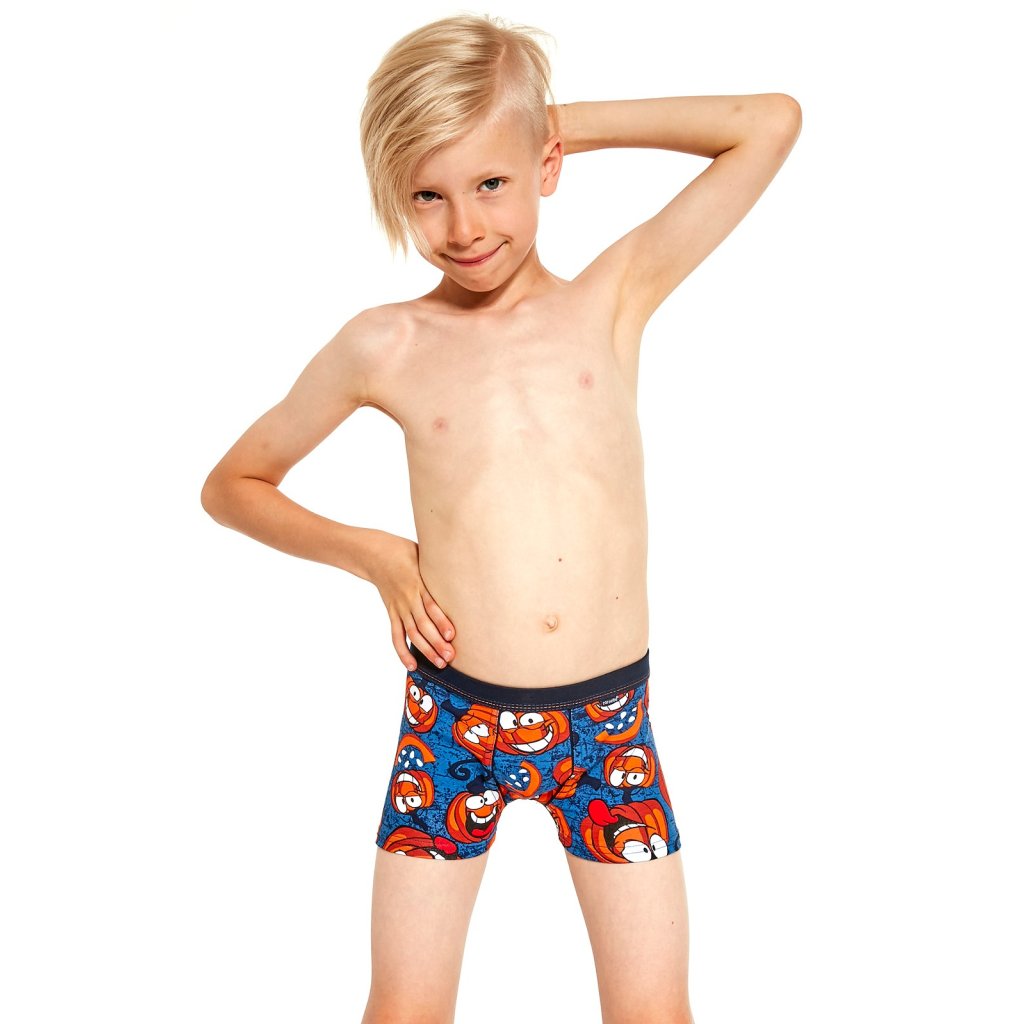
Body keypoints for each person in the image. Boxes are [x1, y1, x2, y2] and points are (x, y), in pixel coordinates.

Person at [201, 12, 800, 1024]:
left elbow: (768, 123)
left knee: (654, 1010)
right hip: (453, 723)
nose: (465, 227)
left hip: (609, 728)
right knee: (404, 1006)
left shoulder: (612, 297)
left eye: (491, 182)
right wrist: (374, 556)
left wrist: (543, 122)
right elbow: (234, 484)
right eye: (427, 195)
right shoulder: (384, 344)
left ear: (544, 166)